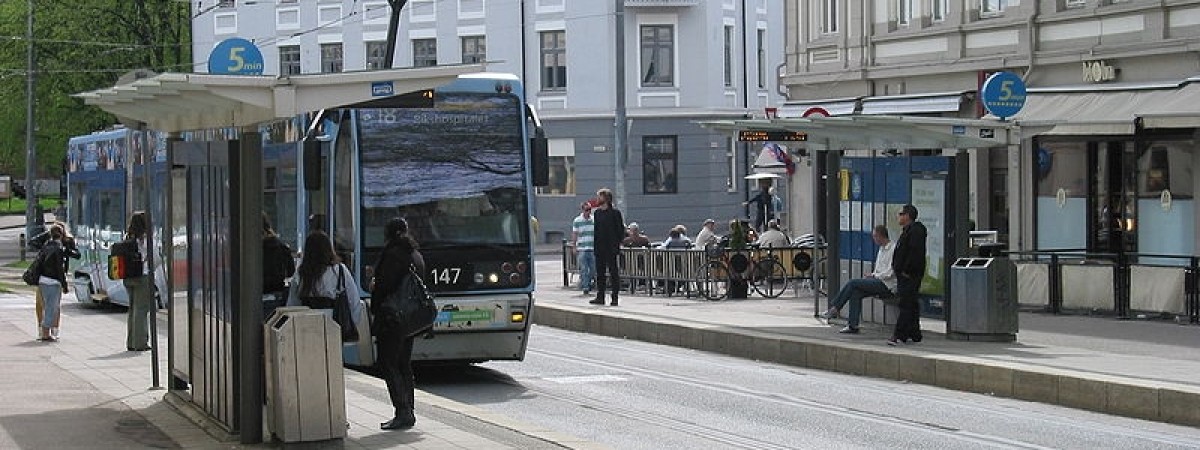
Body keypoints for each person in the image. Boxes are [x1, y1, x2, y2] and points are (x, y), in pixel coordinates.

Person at [369, 218, 425, 430]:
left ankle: (403, 411)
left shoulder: (393, 254)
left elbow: (385, 285)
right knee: (403, 363)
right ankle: (408, 409)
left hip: (392, 318)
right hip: (409, 318)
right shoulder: (415, 254)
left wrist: (375, 285)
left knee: (388, 362)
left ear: (388, 234)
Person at [820, 225, 895, 333]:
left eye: (875, 237)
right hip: (877, 279)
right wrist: (872, 275)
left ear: (880, 236)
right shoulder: (881, 249)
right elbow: (879, 269)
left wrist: (875, 276)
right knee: (856, 293)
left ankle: (835, 308)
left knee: (852, 283)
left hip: (886, 284)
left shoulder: (892, 249)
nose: (874, 239)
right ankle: (852, 325)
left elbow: (890, 272)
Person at [889, 204, 928, 346]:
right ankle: (914, 333)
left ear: (907, 216)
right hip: (904, 274)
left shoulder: (916, 231)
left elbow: (914, 252)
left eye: (901, 214)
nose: (898, 217)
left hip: (910, 275)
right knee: (911, 303)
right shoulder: (907, 231)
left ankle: (899, 334)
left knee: (905, 303)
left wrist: (906, 270)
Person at [124, 211, 154, 352]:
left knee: (132, 309)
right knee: (141, 310)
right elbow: (150, 257)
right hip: (142, 276)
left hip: (128, 277)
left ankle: (131, 342)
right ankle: (140, 342)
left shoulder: (128, 238)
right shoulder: (145, 239)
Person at [590, 188, 625, 306]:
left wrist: (617, 243)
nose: (597, 199)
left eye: (600, 197)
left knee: (613, 272)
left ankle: (614, 297)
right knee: (600, 273)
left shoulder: (615, 213)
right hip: (599, 248)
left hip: (611, 248)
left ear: (606, 198)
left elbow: (620, 230)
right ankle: (600, 296)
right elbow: (596, 231)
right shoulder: (597, 213)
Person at [35, 225, 69, 342]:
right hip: (53, 281)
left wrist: (48, 233)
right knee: (51, 307)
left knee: (47, 306)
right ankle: (45, 333)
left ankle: (45, 331)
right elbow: (59, 269)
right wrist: (64, 285)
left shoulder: (45, 246)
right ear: (61, 234)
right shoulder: (59, 248)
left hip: (43, 280)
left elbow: (33, 242)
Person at [262, 213, 296, 322]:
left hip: (257, 295)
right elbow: (291, 271)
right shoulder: (281, 246)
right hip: (278, 296)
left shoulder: (250, 247)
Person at [571, 202, 596, 296]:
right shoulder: (577, 221)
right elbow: (575, 234)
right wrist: (574, 246)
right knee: (584, 268)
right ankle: (586, 287)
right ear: (582, 210)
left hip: (593, 247)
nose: (588, 212)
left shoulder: (594, 219)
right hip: (582, 248)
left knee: (593, 269)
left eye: (590, 209)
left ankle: (588, 282)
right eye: (586, 210)